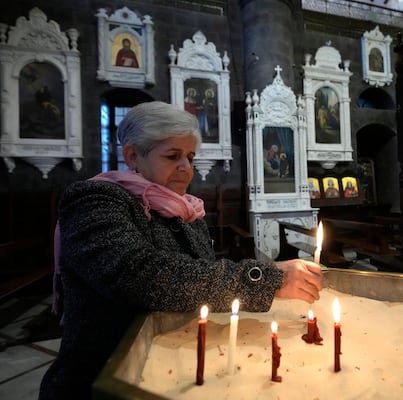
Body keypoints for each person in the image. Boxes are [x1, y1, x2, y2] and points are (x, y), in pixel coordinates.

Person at [38, 101, 322, 400]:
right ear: (133, 155)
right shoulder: (94, 201)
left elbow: (200, 275)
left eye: (189, 156)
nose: (187, 168)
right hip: (107, 377)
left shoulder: (185, 210)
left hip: (181, 365)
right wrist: (267, 279)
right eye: (172, 156)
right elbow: (139, 275)